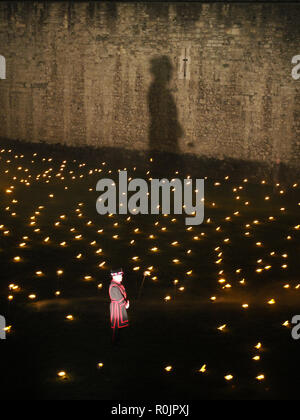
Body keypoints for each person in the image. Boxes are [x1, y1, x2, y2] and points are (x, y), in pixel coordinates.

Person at [109, 268, 129, 345]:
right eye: (120, 275)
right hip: (116, 308)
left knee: (120, 326)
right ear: (115, 276)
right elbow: (118, 298)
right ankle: (114, 342)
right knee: (116, 325)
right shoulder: (114, 286)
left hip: (119, 307)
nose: (121, 277)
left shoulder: (117, 284)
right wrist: (125, 304)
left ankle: (119, 340)